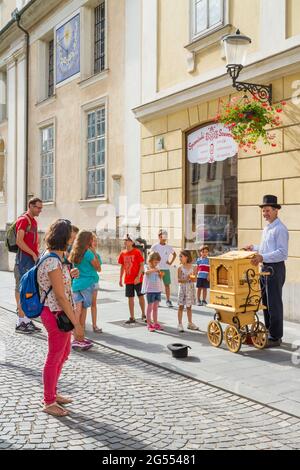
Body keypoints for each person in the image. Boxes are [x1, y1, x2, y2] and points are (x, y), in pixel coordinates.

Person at [38, 219, 84, 417]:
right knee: (54, 356)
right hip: (56, 313)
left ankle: (53, 393)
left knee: (63, 354)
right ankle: (48, 401)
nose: (72, 242)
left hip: (60, 312)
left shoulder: (58, 258)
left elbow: (60, 284)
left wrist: (70, 274)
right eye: (71, 238)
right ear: (63, 238)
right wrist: (77, 323)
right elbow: (60, 296)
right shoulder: (51, 260)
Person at [244, 195, 289, 348]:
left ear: (276, 210)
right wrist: (254, 248)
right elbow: (267, 248)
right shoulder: (267, 228)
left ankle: (276, 337)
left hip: (275, 269)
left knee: (274, 303)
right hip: (265, 268)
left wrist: (262, 256)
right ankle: (269, 331)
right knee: (266, 303)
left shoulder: (280, 229)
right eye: (263, 211)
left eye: (268, 210)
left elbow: (282, 253)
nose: (265, 214)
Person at [14, 197, 43, 334]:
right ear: (30, 206)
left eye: (41, 208)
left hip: (31, 260)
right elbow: (19, 241)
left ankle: (27, 319)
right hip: (23, 260)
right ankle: (20, 321)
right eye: (37, 207)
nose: (40, 210)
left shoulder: (34, 222)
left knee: (29, 289)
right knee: (21, 289)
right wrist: (32, 253)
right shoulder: (23, 220)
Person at [69, 230, 102, 350]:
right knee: (82, 311)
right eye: (91, 239)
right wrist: (94, 252)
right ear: (88, 241)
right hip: (87, 284)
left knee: (77, 311)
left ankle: (76, 338)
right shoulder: (88, 253)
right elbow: (98, 268)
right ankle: (79, 338)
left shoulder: (75, 251)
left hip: (76, 284)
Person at [118, 234, 146, 324]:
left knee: (140, 296)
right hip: (128, 279)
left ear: (132, 242)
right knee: (130, 298)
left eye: (127, 240)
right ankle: (132, 317)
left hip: (138, 279)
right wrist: (120, 278)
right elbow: (122, 266)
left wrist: (138, 276)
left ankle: (143, 315)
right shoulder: (122, 253)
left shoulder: (137, 252)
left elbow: (142, 265)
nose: (125, 241)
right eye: (125, 240)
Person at [151, 230, 176, 308]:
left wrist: (170, 262)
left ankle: (168, 300)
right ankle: (157, 301)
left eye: (166, 235)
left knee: (167, 285)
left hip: (165, 269)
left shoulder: (169, 247)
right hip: (157, 269)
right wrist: (153, 265)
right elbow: (150, 256)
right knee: (156, 285)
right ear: (159, 236)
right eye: (163, 235)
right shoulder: (155, 246)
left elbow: (174, 254)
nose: (164, 237)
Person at [142, 252, 164, 332]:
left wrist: (160, 274)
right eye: (155, 262)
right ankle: (149, 324)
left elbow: (159, 277)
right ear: (150, 261)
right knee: (149, 308)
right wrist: (154, 270)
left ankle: (155, 323)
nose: (156, 264)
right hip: (150, 291)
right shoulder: (146, 266)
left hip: (157, 290)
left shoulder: (157, 267)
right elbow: (146, 273)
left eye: (158, 262)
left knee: (155, 308)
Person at [177, 250, 199, 332]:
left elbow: (195, 279)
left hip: (190, 288)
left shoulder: (193, 267)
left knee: (189, 307)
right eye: (179, 256)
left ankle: (190, 323)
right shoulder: (180, 268)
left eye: (181, 256)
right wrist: (186, 278)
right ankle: (180, 323)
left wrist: (192, 278)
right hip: (182, 288)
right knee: (181, 306)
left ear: (186, 257)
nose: (180, 258)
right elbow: (179, 280)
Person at [90, 233, 102, 333]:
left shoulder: (96, 255)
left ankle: (94, 325)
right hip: (84, 282)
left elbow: (99, 269)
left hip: (94, 281)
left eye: (96, 241)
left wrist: (94, 254)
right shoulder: (82, 253)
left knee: (93, 304)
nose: (96, 243)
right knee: (81, 305)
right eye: (94, 240)